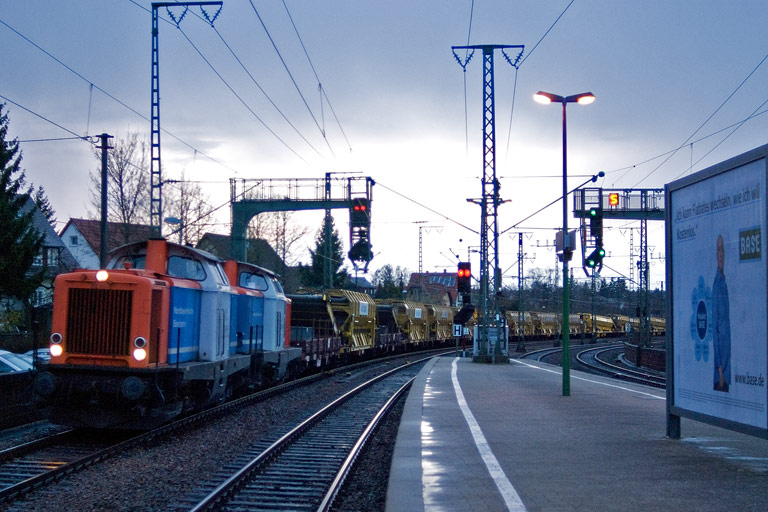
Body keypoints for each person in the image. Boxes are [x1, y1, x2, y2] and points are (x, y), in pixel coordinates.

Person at [712, 234, 731, 392]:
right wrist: (720, 370)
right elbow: (715, 330)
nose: (720, 253)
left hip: (726, 366)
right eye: (718, 249)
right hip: (722, 373)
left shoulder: (724, 283)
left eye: (722, 249)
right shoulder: (717, 286)